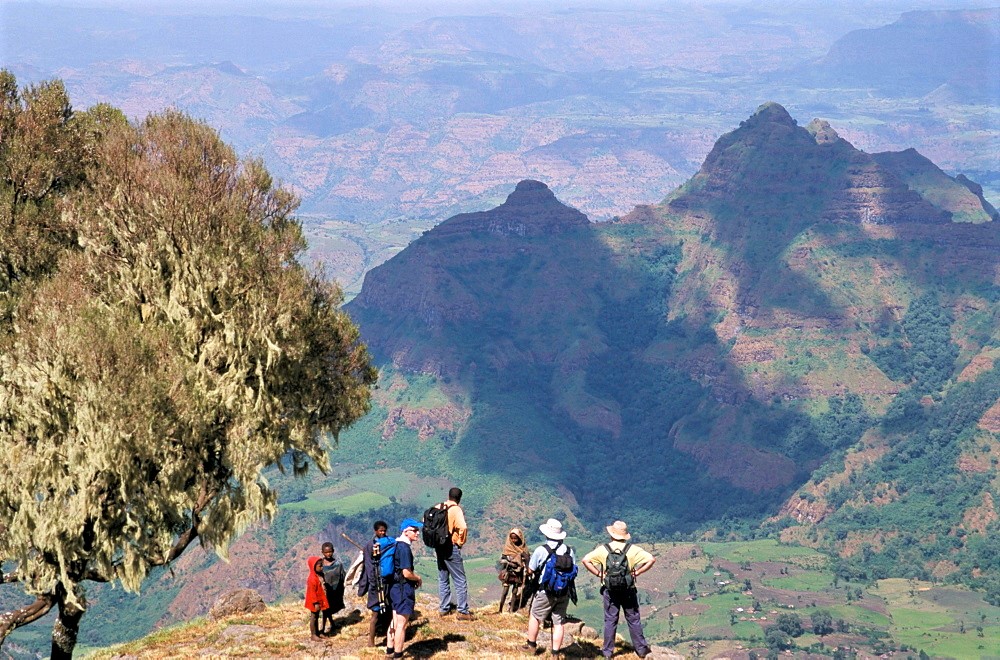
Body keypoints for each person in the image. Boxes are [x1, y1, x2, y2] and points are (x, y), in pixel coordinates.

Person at [581, 520, 656, 659]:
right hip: (628, 589)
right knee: (633, 619)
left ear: (612, 534)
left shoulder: (604, 549)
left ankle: (608, 652)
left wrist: (599, 574)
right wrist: (637, 572)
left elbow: (585, 560)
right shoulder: (632, 549)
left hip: (609, 590)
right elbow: (651, 559)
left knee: (610, 620)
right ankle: (641, 650)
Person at [522, 518, 575, 656]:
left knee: (535, 616)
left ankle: (531, 646)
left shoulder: (541, 550)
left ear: (547, 534)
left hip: (546, 591)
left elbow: (530, 570)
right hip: (563, 592)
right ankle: (555, 653)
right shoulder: (569, 551)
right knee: (558, 622)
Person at [433, 486, 472, 619]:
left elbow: (425, 521)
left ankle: (444, 608)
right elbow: (463, 527)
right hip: (451, 546)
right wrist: (460, 542)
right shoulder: (456, 510)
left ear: (449, 495)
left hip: (438, 546)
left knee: (443, 578)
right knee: (460, 579)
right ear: (459, 498)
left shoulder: (439, 506)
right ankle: (462, 610)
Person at [388, 518, 424, 660]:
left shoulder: (396, 544)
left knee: (395, 621)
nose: (417, 533)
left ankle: (389, 651)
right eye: (414, 530)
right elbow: (406, 573)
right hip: (403, 589)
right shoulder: (404, 548)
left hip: (395, 588)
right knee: (402, 625)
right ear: (405, 531)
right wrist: (418, 578)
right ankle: (398, 655)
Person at [356, 520, 392, 647]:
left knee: (388, 613)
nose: (382, 532)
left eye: (384, 530)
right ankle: (371, 641)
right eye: (380, 530)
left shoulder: (387, 543)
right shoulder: (370, 546)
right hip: (377, 584)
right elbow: (369, 566)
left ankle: (388, 638)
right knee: (375, 614)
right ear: (375, 531)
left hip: (386, 582)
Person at [498, 527, 530, 613]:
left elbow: (527, 558)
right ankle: (500, 609)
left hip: (518, 573)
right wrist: (509, 562)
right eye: (512, 538)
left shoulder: (523, 548)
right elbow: (502, 559)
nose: (513, 540)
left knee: (515, 591)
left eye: (515, 538)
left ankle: (511, 609)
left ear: (520, 538)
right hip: (508, 572)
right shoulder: (507, 547)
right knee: (505, 591)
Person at [319, 541, 346, 636]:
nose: (328, 554)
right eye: (326, 552)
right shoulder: (320, 565)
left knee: (329, 609)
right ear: (322, 552)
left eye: (330, 552)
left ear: (333, 551)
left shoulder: (338, 564)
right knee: (325, 609)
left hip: (335, 591)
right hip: (325, 591)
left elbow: (342, 577)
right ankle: (322, 629)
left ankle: (331, 624)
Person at [304, 555, 329, 642]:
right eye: (320, 566)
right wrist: (315, 603)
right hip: (314, 601)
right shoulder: (312, 579)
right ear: (313, 566)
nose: (322, 567)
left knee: (317, 616)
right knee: (314, 617)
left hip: (320, 598)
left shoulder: (320, 575)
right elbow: (312, 592)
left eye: (322, 565)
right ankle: (313, 634)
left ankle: (318, 632)